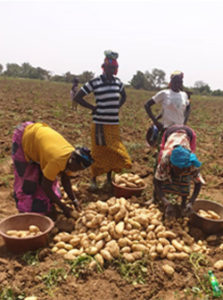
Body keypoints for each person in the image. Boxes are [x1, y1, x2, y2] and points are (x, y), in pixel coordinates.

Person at [74, 50, 132, 190]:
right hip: (99, 123)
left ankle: (108, 179)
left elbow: (124, 97)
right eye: (108, 68)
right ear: (103, 68)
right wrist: (92, 108)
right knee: (98, 151)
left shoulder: (118, 83)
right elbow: (78, 97)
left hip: (113, 124)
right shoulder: (95, 82)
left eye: (113, 68)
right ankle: (93, 179)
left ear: (115, 69)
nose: (111, 71)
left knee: (113, 151)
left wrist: (118, 106)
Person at [12, 122, 93, 217]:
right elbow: (46, 185)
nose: (76, 171)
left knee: (44, 178)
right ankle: (25, 207)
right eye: (77, 168)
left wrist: (74, 200)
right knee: (28, 180)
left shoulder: (71, 158)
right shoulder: (57, 161)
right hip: (25, 137)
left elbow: (65, 180)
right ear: (73, 160)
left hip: (39, 140)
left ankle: (43, 202)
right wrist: (63, 207)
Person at [153, 125, 205, 218]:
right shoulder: (166, 160)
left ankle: (184, 203)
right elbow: (157, 180)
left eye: (183, 169)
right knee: (162, 174)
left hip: (189, 134)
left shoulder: (191, 162)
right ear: (172, 164)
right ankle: (155, 198)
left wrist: (191, 202)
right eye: (178, 169)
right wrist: (166, 203)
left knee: (185, 177)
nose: (181, 171)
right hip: (170, 133)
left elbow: (198, 183)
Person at [144, 71, 191, 142]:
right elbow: (147, 105)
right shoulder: (164, 93)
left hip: (180, 130)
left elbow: (188, 107)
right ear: (171, 82)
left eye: (179, 82)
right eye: (175, 81)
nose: (177, 83)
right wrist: (155, 122)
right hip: (167, 129)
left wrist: (185, 122)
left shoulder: (184, 95)